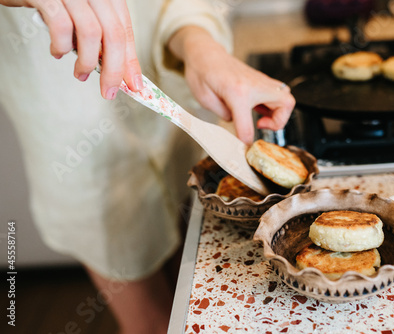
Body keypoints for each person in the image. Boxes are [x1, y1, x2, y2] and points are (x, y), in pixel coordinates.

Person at [0, 1, 295, 333]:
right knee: (153, 325)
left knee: (189, 303)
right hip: (80, 158)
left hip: (175, 129)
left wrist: (198, 43)